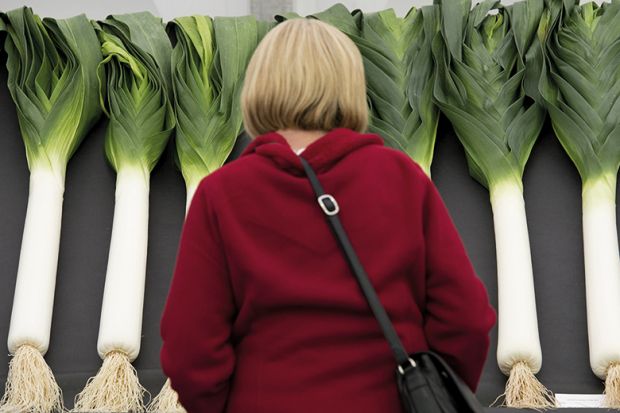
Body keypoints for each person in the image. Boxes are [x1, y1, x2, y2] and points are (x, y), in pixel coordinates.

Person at [160, 17, 496, 413]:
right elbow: (465, 321)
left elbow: (190, 349)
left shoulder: (221, 194)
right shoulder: (403, 178)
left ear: (258, 87)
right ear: (350, 86)